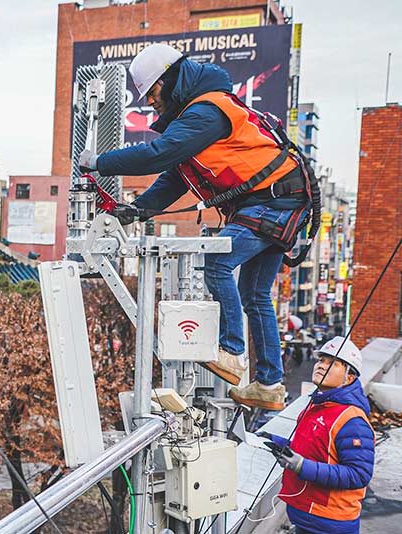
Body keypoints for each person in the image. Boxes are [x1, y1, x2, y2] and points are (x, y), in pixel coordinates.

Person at [78, 43, 311, 410]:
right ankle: (269, 384)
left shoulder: (208, 111)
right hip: (280, 200)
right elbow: (175, 176)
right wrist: (138, 210)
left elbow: (160, 155)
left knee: (217, 263)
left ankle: (232, 352)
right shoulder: (199, 115)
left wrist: (99, 162)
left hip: (271, 202)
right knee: (254, 294)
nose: (152, 104)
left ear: (170, 80)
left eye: (153, 93)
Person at [259, 337, 375, 534]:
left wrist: (302, 466)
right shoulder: (316, 406)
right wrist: (272, 440)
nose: (321, 366)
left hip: (330, 524)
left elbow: (359, 475)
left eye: (332, 363)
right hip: (306, 519)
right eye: (321, 360)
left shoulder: (352, 420)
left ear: (349, 377)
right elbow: (312, 448)